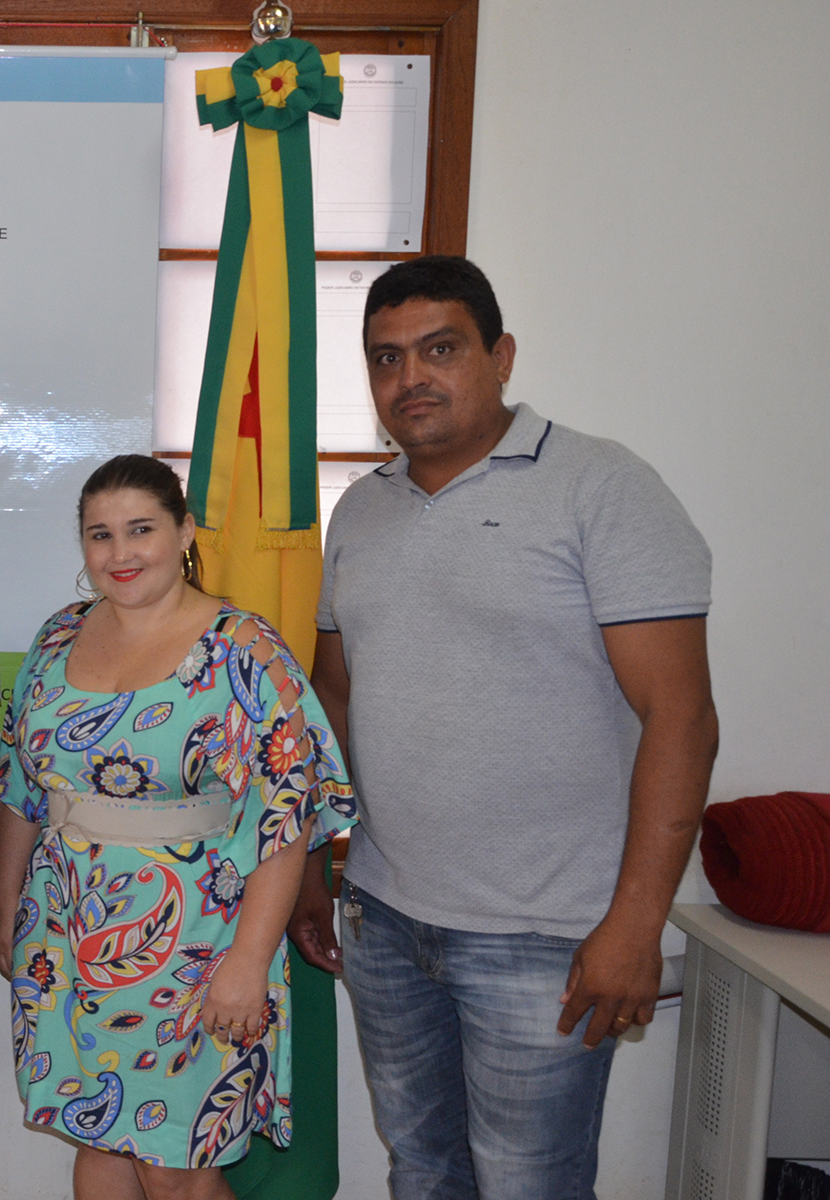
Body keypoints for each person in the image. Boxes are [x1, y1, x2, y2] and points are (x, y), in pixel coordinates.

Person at [287, 255, 718, 1200]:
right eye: (387, 358)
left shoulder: (601, 487)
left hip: (548, 934)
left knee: (530, 1185)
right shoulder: (360, 509)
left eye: (440, 349)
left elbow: (681, 718)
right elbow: (334, 699)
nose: (411, 378)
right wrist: (318, 866)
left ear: (502, 355)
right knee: (423, 1171)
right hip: (387, 919)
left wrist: (636, 922)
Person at [0, 454, 357, 1200]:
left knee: (176, 1169)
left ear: (184, 532)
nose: (119, 553)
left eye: (141, 529)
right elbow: (24, 789)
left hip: (198, 946)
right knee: (98, 1141)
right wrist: (4, 906)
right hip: (64, 935)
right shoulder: (57, 640)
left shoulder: (244, 649)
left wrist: (249, 962)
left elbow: (286, 819)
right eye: (100, 534)